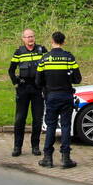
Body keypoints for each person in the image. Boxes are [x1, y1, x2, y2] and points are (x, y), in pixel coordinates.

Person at [35, 31, 82, 169]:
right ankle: (65, 158)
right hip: (66, 95)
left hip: (51, 96)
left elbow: (38, 81)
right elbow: (77, 79)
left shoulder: (44, 59)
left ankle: (47, 158)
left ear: (52, 41)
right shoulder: (69, 58)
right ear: (63, 42)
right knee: (66, 126)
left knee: (51, 125)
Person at [8, 29, 47, 156]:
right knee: (20, 119)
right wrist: (16, 82)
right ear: (23, 39)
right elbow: (11, 70)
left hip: (37, 89)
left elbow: (48, 68)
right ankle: (17, 147)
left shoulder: (42, 50)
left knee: (37, 119)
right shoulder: (19, 52)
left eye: (32, 37)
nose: (30, 39)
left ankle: (35, 146)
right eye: (27, 37)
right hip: (23, 88)